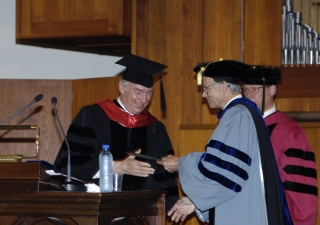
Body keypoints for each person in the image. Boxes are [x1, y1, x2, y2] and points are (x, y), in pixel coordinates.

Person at [163, 60, 293, 225]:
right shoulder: (245, 112)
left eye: (206, 88)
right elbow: (229, 169)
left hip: (243, 212)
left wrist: (181, 163)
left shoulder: (238, 114)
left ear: (223, 86)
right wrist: (195, 201)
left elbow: (224, 171)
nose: (203, 94)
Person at [53, 53, 179, 209]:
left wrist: (173, 206)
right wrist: (116, 167)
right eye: (138, 92)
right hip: (99, 209)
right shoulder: (93, 116)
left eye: (149, 93)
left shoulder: (155, 128)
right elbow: (70, 165)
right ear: (121, 87)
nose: (143, 99)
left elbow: (165, 179)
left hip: (141, 214)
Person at [241, 66, 318, 225]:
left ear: (272, 90)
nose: (249, 96)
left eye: (255, 90)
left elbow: (299, 185)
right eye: (245, 91)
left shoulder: (289, 130)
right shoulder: (241, 128)